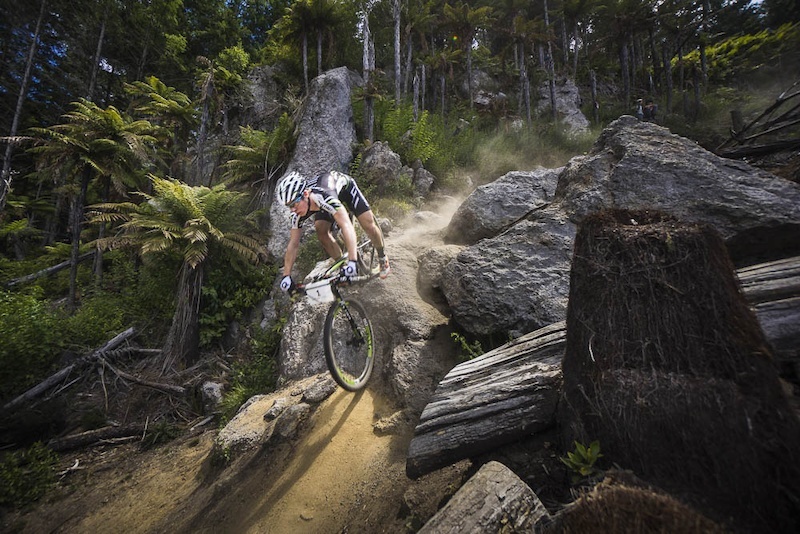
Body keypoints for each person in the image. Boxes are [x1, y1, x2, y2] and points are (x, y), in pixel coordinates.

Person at [276, 170, 390, 294]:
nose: (292, 210)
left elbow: (346, 225)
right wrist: (286, 275)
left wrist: (353, 261)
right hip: (319, 203)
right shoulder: (298, 211)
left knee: (369, 226)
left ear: (305, 194)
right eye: (289, 206)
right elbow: (293, 244)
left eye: (294, 204)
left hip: (346, 190)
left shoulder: (325, 195)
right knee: (321, 232)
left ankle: (382, 258)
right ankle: (343, 266)